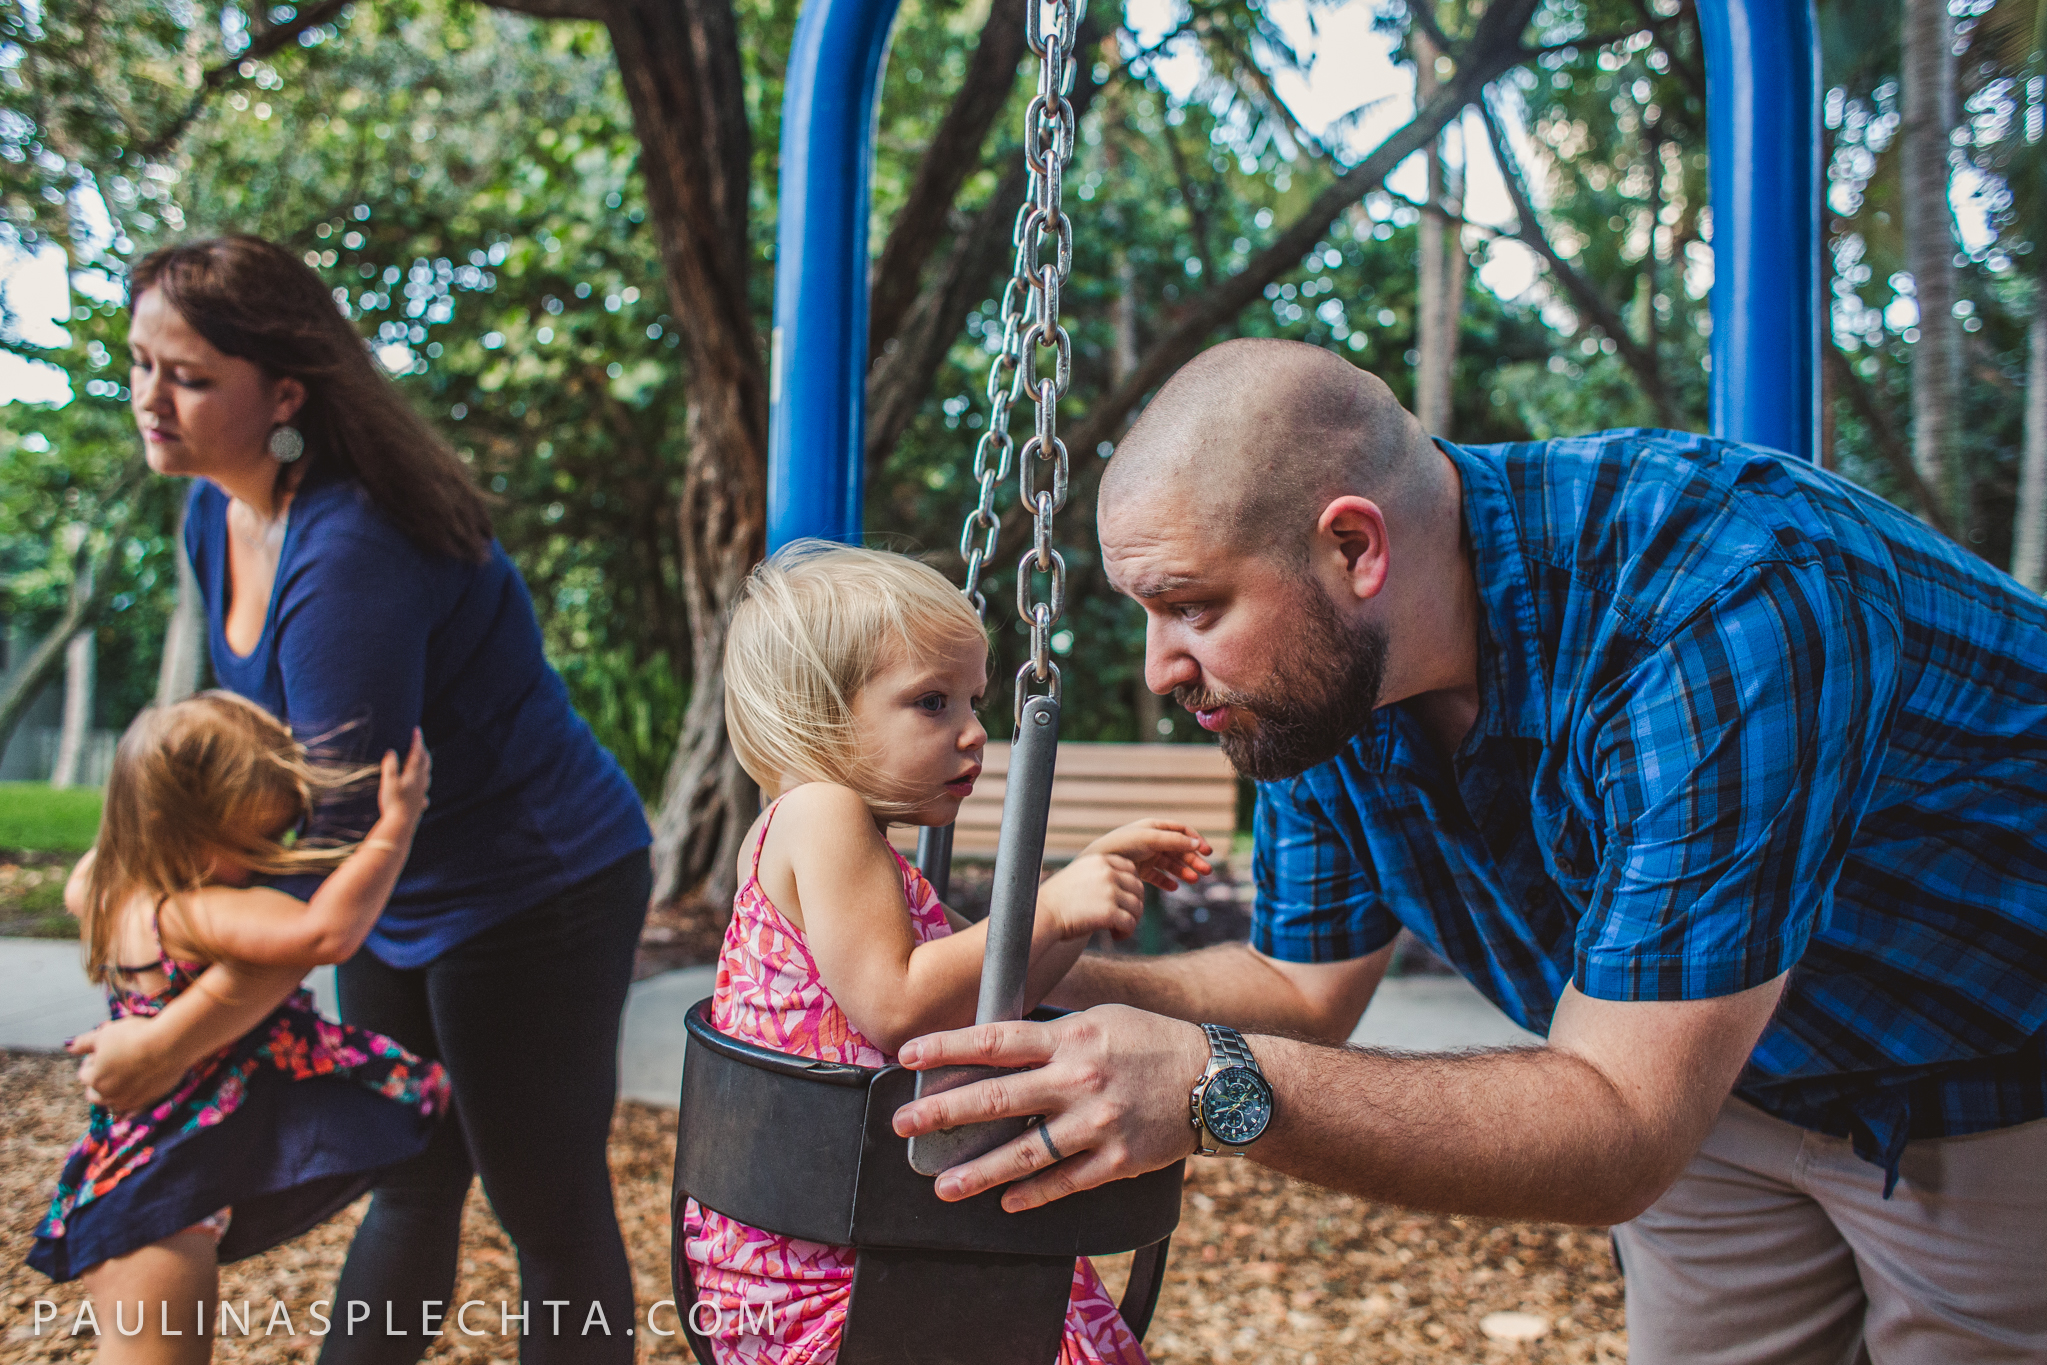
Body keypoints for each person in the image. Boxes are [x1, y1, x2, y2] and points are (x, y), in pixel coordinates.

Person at [889, 338, 2047, 1363]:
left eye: (1189, 606)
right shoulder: (1328, 682)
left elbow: (1621, 1123)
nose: (1158, 668)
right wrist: (1006, 965)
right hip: (1717, 1083)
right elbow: (1295, 985)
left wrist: (1209, 1086)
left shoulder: (1722, 597)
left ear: (1353, 548)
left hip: (1987, 1069)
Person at [71, 235, 655, 1364]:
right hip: (395, 876)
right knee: (411, 1175)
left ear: (284, 392)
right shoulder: (215, 510)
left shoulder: (350, 556)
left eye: (187, 377)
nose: (151, 399)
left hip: (535, 883)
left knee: (544, 1200)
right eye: (140, 363)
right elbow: (245, 764)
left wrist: (167, 1043)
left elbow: (332, 853)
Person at [681, 542, 1213, 1365]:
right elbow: (898, 1009)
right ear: (819, 714)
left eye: (973, 699)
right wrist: (1048, 905)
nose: (974, 733)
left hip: (854, 1228)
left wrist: (1073, 901)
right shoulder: (822, 814)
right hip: (824, 1274)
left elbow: (980, 1010)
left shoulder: (845, 842)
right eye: (931, 702)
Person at [31, 692, 447, 1364]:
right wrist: (394, 829)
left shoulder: (103, 889)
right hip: (158, 1202)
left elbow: (106, 854)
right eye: (248, 841)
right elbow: (324, 931)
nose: (262, 861)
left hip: (146, 1176)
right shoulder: (189, 915)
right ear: (181, 828)